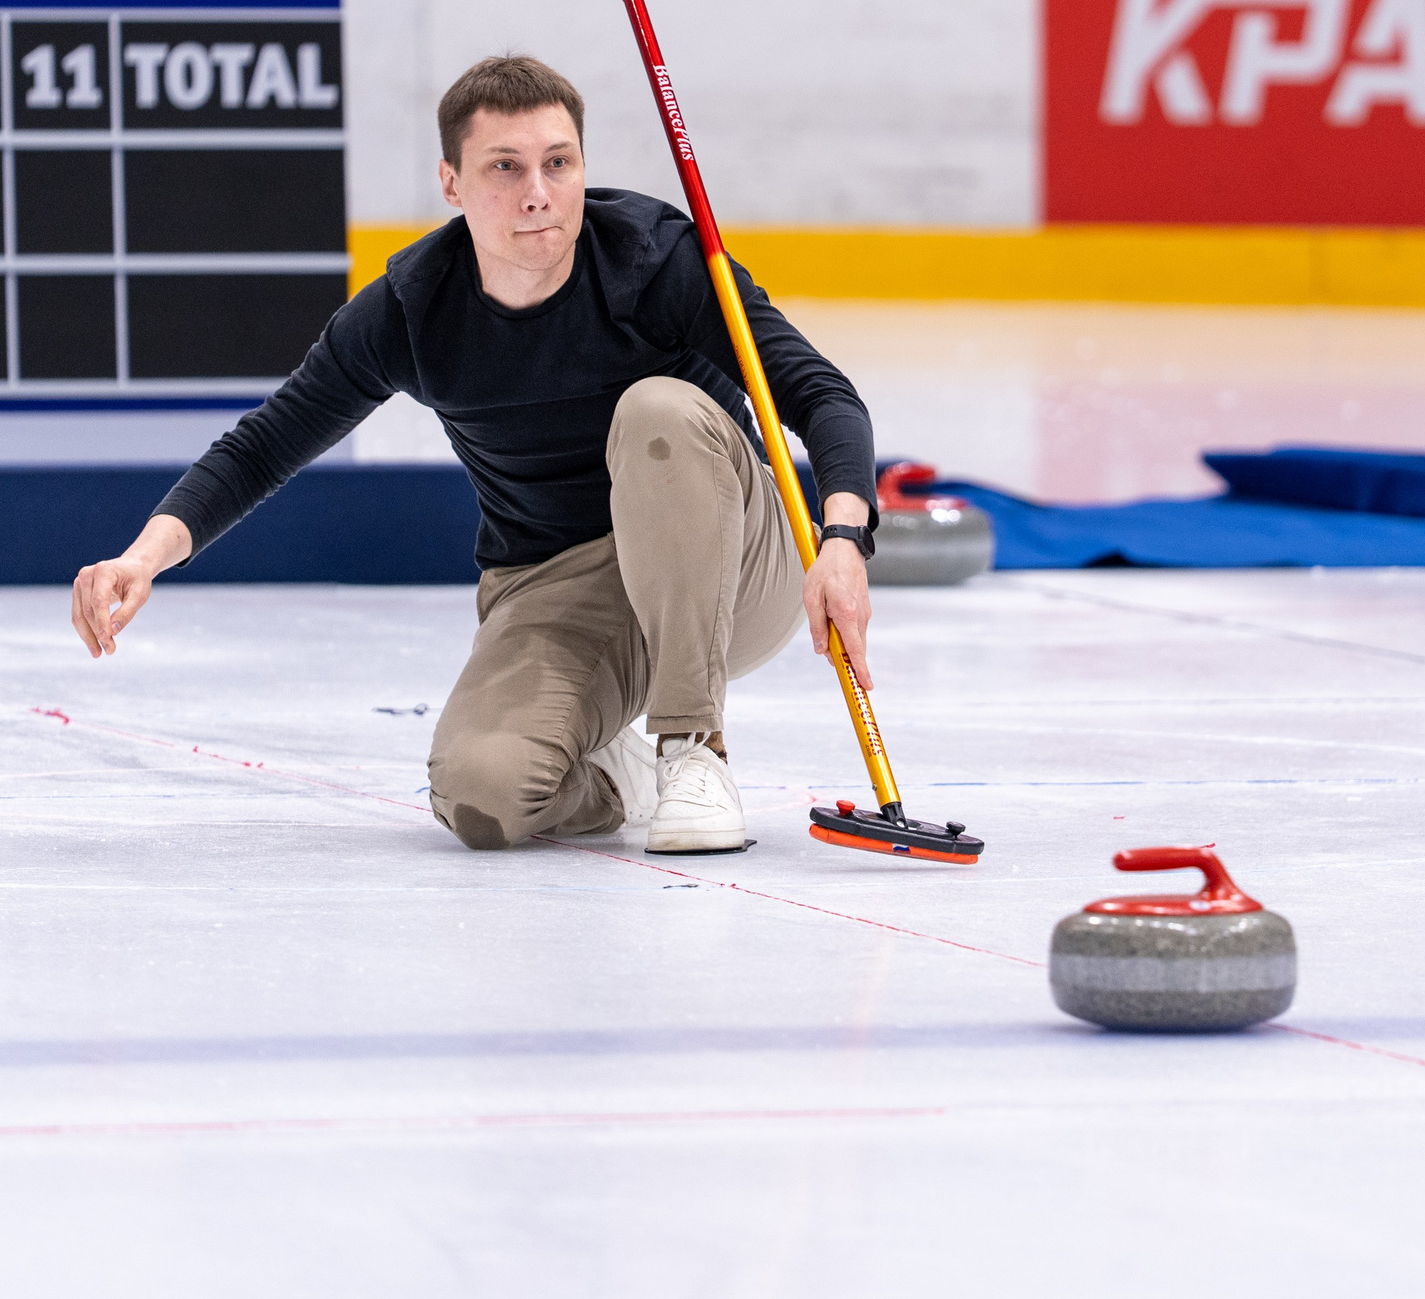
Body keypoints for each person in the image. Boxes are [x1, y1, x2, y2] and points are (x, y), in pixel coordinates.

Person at [69, 54, 881, 855]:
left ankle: (693, 748)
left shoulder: (653, 259)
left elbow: (821, 394)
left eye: (558, 163)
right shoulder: (415, 308)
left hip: (732, 562)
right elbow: (264, 445)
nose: (538, 193)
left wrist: (843, 538)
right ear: (451, 184)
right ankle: (615, 778)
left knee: (657, 412)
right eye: (505, 166)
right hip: (558, 583)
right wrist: (143, 556)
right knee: (483, 794)